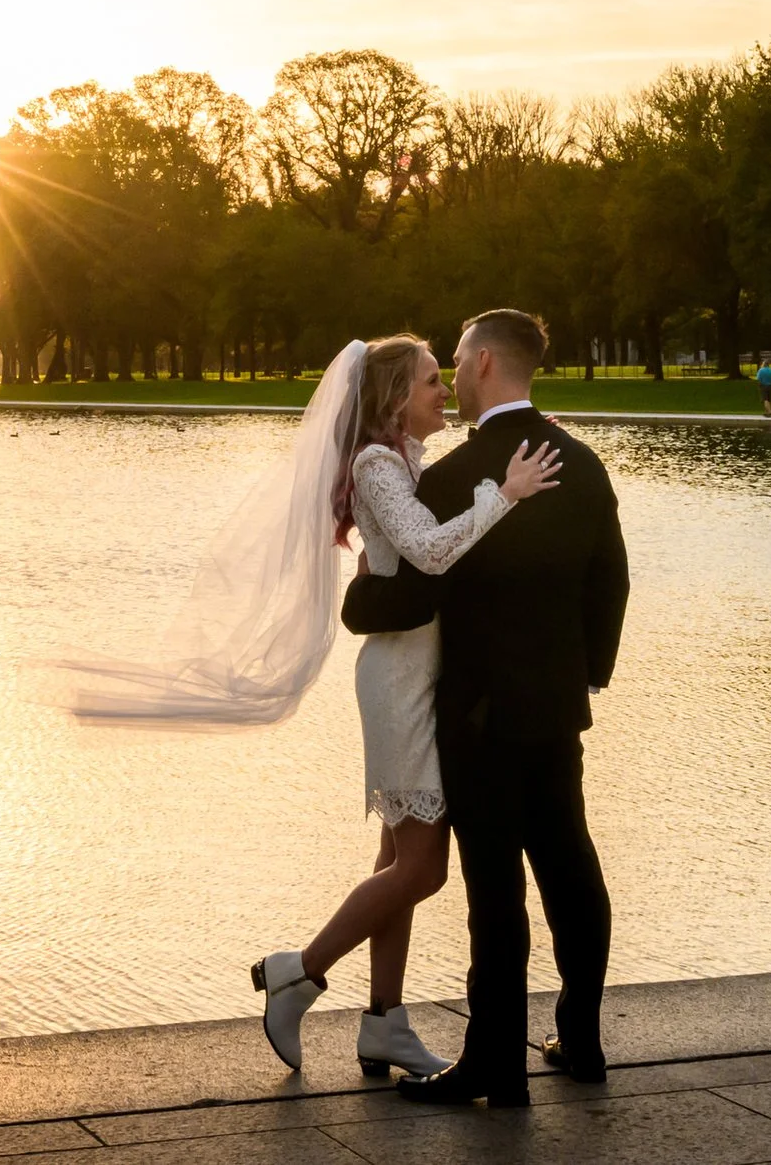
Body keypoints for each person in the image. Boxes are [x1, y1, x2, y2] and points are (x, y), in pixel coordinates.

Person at [250, 336, 561, 1079]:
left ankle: (384, 1023)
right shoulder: (376, 464)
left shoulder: (405, 462)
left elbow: (413, 545)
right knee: (423, 868)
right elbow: (428, 550)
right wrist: (505, 494)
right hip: (399, 680)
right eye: (429, 382)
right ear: (395, 398)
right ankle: (299, 971)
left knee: (397, 857)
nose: (443, 390)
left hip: (419, 671)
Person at [372, 309, 630, 1108]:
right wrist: (584, 676)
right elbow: (612, 581)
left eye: (455, 359)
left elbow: (412, 594)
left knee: (494, 890)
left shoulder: (451, 477)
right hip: (554, 708)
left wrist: (355, 602)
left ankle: (496, 1066)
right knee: (570, 865)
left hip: (477, 714)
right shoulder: (582, 464)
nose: (451, 374)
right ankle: (581, 1040)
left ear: (484, 361)